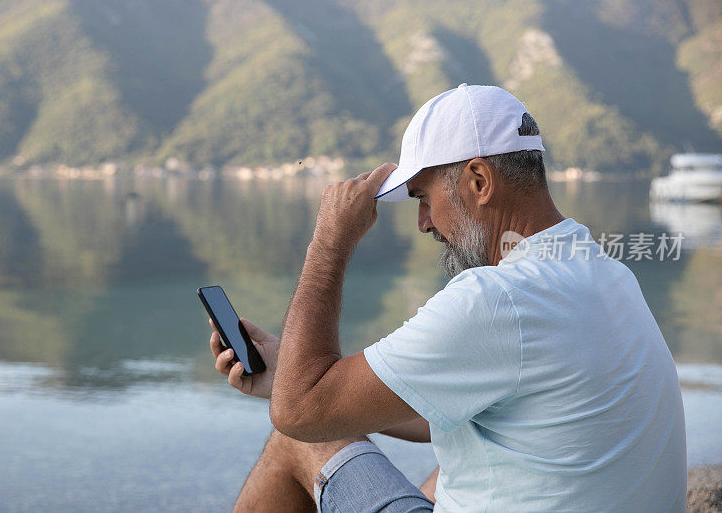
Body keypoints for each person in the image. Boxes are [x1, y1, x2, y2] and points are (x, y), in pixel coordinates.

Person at [209, 84, 687, 512]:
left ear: (479, 181)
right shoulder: (606, 274)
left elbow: (300, 414)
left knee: (297, 440)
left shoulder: (498, 298)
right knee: (439, 463)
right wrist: (287, 376)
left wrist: (330, 241)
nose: (423, 224)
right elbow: (442, 411)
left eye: (422, 197)